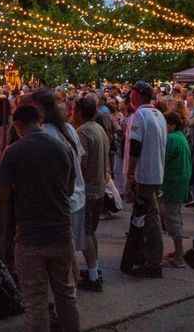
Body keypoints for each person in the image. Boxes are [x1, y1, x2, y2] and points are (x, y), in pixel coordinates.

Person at [0, 104, 80, 332]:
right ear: (39, 121)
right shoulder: (63, 147)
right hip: (61, 231)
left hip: (30, 235)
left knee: (36, 301)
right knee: (66, 294)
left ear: (18, 125)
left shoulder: (13, 151)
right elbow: (70, 188)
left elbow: (1, 195)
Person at [30, 89, 87, 283]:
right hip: (74, 199)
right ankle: (71, 289)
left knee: (58, 260)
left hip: (59, 201)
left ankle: (63, 297)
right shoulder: (68, 129)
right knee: (67, 253)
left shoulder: (44, 134)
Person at [126, 80, 167, 278]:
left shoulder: (140, 115)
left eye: (132, 93)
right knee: (149, 216)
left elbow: (135, 146)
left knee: (150, 218)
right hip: (156, 172)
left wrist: (130, 173)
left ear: (138, 95)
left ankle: (153, 262)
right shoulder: (159, 115)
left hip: (145, 174)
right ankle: (145, 255)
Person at [73, 94, 111, 291]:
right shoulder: (99, 130)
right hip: (99, 188)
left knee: (86, 233)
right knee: (91, 232)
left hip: (88, 190)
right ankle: (94, 269)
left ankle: (93, 275)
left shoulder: (83, 132)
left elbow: (80, 163)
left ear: (79, 112)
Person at [161, 112, 191, 268]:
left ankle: (179, 256)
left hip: (173, 182)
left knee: (172, 219)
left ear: (171, 124)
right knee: (175, 216)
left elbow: (162, 159)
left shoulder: (172, 139)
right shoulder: (180, 136)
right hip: (180, 181)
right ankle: (178, 251)